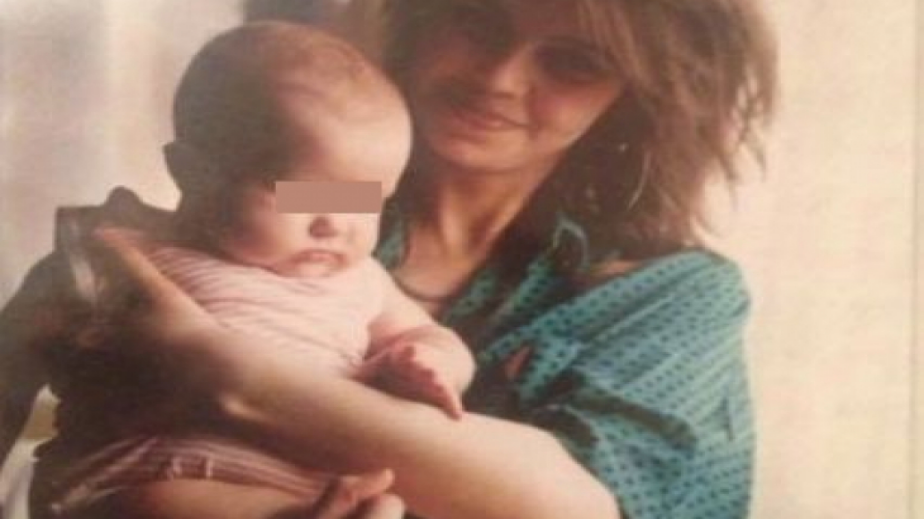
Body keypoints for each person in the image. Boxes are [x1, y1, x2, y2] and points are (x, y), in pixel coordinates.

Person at [3, 0, 777, 518]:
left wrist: (221, 372)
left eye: (572, 62)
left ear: (635, 97)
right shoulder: (267, 218)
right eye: (478, 20)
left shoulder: (667, 294)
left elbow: (575, 505)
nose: (499, 79)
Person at [0, 21, 477, 519]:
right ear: (191, 173)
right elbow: (10, 368)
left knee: (384, 503)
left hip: (301, 492)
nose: (335, 224)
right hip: (142, 483)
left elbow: (435, 337)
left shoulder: (360, 280)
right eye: (301, 194)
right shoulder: (118, 255)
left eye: (366, 200)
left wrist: (429, 361)